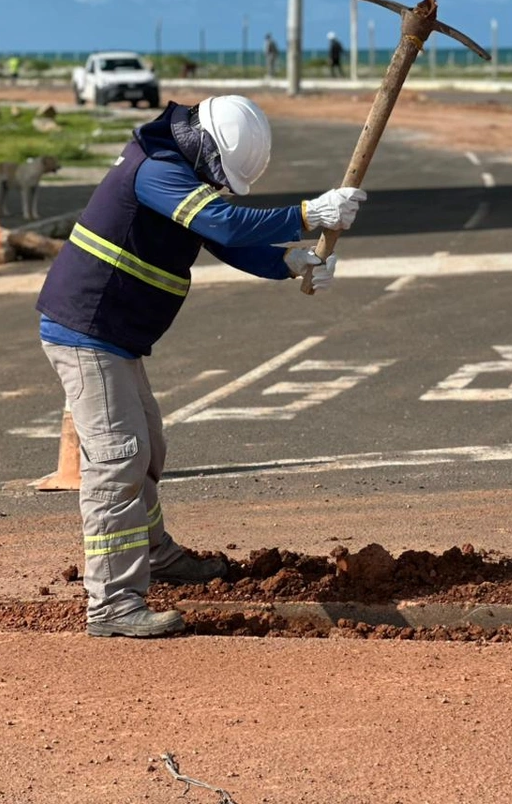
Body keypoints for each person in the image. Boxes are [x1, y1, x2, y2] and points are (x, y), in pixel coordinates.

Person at [35, 95, 366, 638]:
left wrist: (288, 259)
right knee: (119, 457)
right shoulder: (155, 170)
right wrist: (309, 214)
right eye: (219, 173)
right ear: (202, 146)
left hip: (112, 335)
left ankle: (155, 554)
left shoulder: (175, 172)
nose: (219, 183)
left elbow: (218, 236)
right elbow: (225, 223)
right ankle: (113, 603)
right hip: (87, 330)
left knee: (147, 444)